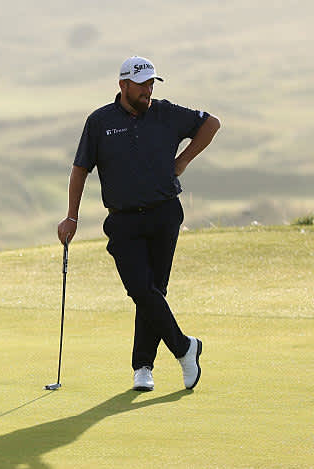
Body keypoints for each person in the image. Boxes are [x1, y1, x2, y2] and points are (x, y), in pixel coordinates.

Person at [57, 56, 220, 392]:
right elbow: (80, 170)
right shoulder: (100, 122)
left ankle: (143, 367)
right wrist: (72, 216)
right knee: (140, 289)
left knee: (153, 293)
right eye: (142, 84)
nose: (148, 90)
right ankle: (185, 348)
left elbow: (211, 124)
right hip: (123, 220)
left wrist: (183, 161)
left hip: (164, 213)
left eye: (151, 84)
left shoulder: (165, 113)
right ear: (123, 86)